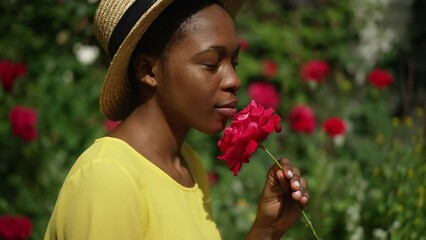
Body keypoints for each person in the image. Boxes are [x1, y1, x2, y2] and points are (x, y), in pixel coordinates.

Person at [44, 0, 310, 239]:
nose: (234, 80)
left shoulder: (188, 165)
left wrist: (266, 231)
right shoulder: (108, 177)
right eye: (211, 64)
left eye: (234, 63)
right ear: (148, 70)